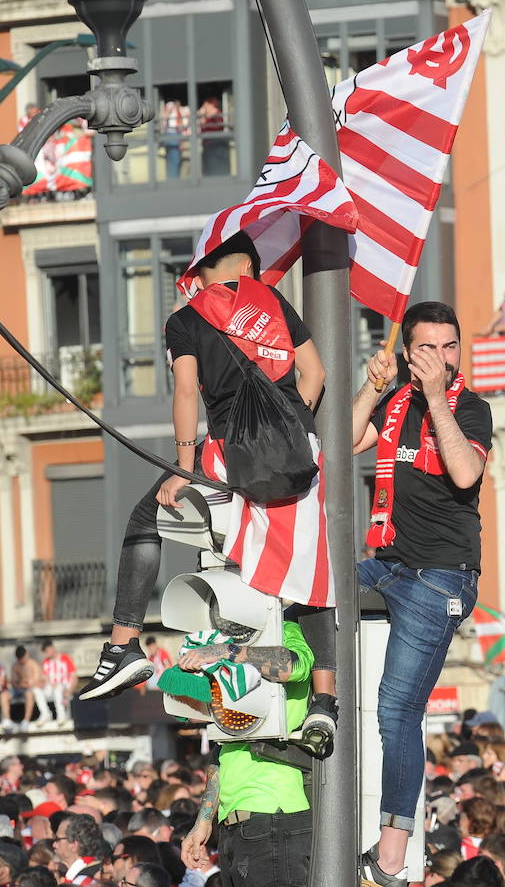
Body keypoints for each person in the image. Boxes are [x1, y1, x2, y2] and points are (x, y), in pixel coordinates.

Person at [77, 232, 338, 751]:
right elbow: (316, 372)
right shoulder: (275, 304)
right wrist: (287, 427)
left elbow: (186, 391)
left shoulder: (187, 318)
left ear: (200, 270)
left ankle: (124, 647)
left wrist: (183, 465)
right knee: (309, 576)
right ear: (249, 268)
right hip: (299, 455)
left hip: (229, 454)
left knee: (146, 518)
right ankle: (324, 705)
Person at [351, 301, 492, 887]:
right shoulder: (395, 403)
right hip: (387, 563)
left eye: (450, 346)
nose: (442, 358)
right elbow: (341, 444)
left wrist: (436, 397)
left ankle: (390, 857)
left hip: (440, 578)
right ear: (409, 352)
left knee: (397, 709)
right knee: (302, 593)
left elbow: (465, 474)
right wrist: (369, 387)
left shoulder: (472, 409)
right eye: (428, 348)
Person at [176, 610, 317, 887]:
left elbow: (293, 666)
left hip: (274, 818)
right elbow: (223, 752)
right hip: (235, 827)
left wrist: (225, 651)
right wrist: (204, 821)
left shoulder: (284, 629)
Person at [0, 646, 43, 734]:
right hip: (17, 689)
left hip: (29, 690)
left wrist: (26, 683)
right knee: (3, 695)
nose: (22, 661)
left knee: (29, 694)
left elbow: (36, 681)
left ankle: (26, 721)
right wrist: (20, 683)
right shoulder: (15, 666)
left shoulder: (33, 665)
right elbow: (13, 681)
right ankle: (7, 720)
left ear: (26, 655)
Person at [38, 641, 75, 727]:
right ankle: (45, 713)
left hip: (64, 688)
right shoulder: (46, 662)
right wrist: (42, 684)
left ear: (52, 648)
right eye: (45, 652)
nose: (47, 654)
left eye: (47, 651)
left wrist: (69, 691)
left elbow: (74, 677)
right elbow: (44, 678)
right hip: (52, 689)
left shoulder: (65, 658)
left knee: (58, 688)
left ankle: (61, 715)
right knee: (36, 690)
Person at [198, 94, 229, 176]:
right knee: (209, 169)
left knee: (215, 168)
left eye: (205, 105)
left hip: (215, 144)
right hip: (208, 144)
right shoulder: (207, 115)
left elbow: (216, 127)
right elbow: (202, 128)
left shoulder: (216, 113)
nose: (204, 107)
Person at [159, 96, 189, 180]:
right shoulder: (171, 106)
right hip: (172, 134)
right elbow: (165, 117)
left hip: (176, 135)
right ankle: (172, 179)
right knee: (174, 158)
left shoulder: (181, 110)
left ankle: (173, 178)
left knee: (175, 159)